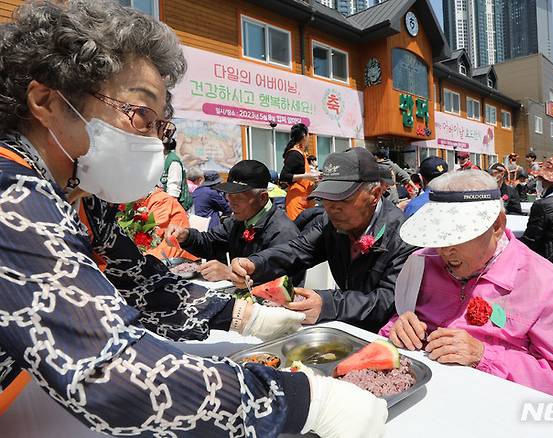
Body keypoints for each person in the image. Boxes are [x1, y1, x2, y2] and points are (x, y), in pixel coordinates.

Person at [0, 2, 386, 436]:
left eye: (160, 126)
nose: (155, 142)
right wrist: (300, 401)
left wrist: (239, 316)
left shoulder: (80, 196)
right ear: (47, 101)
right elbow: (111, 373)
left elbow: (139, 282)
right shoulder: (11, 197)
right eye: (141, 114)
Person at [380, 170, 553, 402]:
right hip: (423, 396)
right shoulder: (422, 263)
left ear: (496, 226)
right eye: (438, 235)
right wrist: (398, 328)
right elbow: (399, 323)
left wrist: (484, 356)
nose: (445, 249)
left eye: (459, 235)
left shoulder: (547, 286)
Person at [230, 148, 417, 333]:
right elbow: (297, 250)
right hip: (344, 327)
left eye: (342, 199)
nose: (331, 208)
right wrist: (256, 264)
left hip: (383, 334)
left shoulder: (403, 236)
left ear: (374, 195)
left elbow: (389, 299)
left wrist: (329, 305)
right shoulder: (329, 223)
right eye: (326, 198)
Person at [167, 160, 301, 283]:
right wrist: (186, 236)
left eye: (238, 197)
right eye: (229, 196)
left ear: (262, 197)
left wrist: (230, 274)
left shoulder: (283, 232)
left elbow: (282, 282)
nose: (230, 203)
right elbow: (210, 242)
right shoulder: (238, 220)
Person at [280, 123, 320, 220]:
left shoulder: (300, 153)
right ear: (304, 136)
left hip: (305, 199)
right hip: (296, 201)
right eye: (308, 135)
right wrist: (307, 176)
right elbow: (283, 176)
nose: (309, 138)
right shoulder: (294, 153)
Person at [161, 137, 193, 211]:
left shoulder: (173, 161)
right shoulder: (160, 159)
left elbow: (174, 188)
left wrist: (168, 209)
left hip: (170, 206)